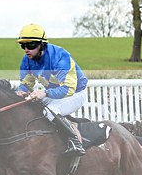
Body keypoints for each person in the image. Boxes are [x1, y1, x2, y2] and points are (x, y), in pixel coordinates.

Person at [15, 23, 88, 156]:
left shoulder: (60, 57)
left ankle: (75, 142)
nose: (26, 49)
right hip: (55, 94)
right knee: (33, 108)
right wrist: (20, 91)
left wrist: (44, 93)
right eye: (23, 45)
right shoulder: (27, 60)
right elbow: (26, 83)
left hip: (75, 93)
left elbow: (68, 89)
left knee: (51, 111)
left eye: (30, 45)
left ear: (41, 44)